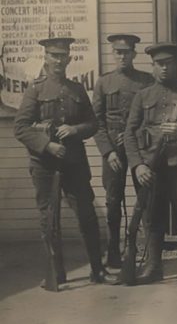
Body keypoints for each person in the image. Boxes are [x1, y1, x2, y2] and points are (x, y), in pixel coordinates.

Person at [14, 37, 118, 288]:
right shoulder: (35, 90)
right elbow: (21, 128)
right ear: (46, 58)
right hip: (44, 165)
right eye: (53, 55)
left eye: (63, 56)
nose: (58, 60)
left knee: (87, 215)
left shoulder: (77, 90)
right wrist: (47, 145)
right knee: (50, 219)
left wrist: (75, 129)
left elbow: (93, 124)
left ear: (70, 59)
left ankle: (97, 269)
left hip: (74, 163)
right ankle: (56, 273)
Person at [124, 42, 177, 284]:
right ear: (152, 67)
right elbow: (130, 133)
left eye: (168, 63)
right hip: (150, 167)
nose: (164, 68)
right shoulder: (143, 96)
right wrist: (137, 165)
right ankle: (153, 265)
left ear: (176, 65)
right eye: (159, 64)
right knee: (152, 216)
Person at [92, 34, 153, 268]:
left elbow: (150, 118)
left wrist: (136, 138)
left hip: (139, 147)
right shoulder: (104, 82)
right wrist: (108, 152)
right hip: (114, 150)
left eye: (126, 52)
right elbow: (96, 121)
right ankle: (113, 251)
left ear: (134, 54)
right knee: (113, 199)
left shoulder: (145, 81)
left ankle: (147, 250)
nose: (122, 56)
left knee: (145, 197)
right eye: (118, 52)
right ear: (112, 54)